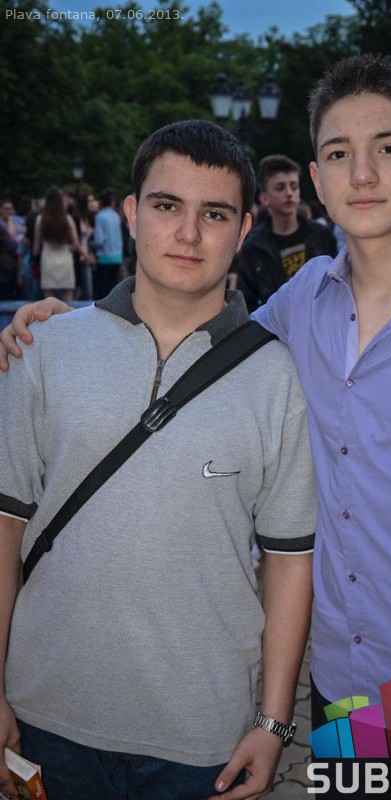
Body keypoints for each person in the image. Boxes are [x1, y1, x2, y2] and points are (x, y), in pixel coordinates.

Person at [3, 54, 391, 800]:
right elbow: (194, 329)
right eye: (338, 154)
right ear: (315, 178)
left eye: (389, 147)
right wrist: (60, 323)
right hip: (348, 690)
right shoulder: (299, 303)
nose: (363, 174)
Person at [0, 119, 316, 800]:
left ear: (244, 228)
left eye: (215, 214)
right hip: (45, 715)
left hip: (206, 734)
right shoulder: (44, 351)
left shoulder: (276, 377)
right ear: (131, 213)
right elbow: (5, 529)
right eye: (168, 205)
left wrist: (273, 721)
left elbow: (289, 561)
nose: (189, 233)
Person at [236, 154, 337, 312]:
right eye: (280, 188)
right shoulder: (253, 248)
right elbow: (247, 304)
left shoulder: (321, 235)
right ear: (264, 198)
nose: (289, 193)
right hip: (276, 325)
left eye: (294, 186)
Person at [34, 185, 80, 303]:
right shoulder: (68, 219)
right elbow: (76, 243)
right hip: (65, 259)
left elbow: (37, 246)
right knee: (67, 296)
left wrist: (33, 258)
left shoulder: (40, 219)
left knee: (49, 297)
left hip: (47, 259)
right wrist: (71, 249)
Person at [92, 187, 123, 300]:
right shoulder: (116, 216)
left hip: (104, 258)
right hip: (117, 257)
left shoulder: (99, 217)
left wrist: (91, 244)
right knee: (112, 289)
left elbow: (99, 240)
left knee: (102, 291)